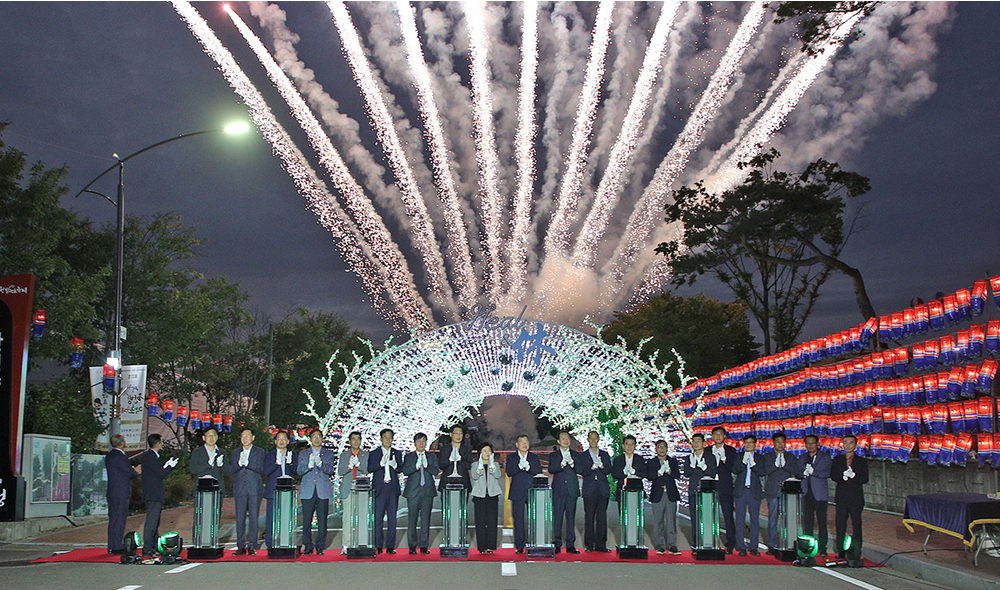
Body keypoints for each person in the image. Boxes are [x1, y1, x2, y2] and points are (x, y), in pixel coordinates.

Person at [297, 428, 336, 555]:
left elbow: (330, 470)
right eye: (314, 436)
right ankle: (308, 545)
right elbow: (299, 471)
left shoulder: (328, 454)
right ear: (310, 439)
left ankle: (320, 545)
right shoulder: (304, 454)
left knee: (322, 519)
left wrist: (321, 465)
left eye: (319, 436)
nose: (316, 439)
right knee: (306, 520)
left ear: (322, 438)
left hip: (322, 490)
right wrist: (308, 466)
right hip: (308, 490)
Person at [762, 431, 802, 554]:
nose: (780, 444)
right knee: (773, 518)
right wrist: (776, 465)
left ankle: (789, 542)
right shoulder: (767, 456)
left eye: (782, 442)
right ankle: (772, 544)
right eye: (777, 442)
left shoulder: (791, 457)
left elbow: (796, 471)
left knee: (788, 518)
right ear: (773, 443)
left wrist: (784, 465)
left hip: (788, 492)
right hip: (773, 490)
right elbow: (764, 471)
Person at [831, 434, 869, 563]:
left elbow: (865, 479)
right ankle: (840, 550)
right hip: (841, 496)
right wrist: (842, 476)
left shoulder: (861, 461)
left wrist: (854, 476)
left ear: (856, 445)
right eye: (845, 443)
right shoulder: (837, 460)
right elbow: (833, 475)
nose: (848, 445)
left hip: (856, 497)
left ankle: (857, 551)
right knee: (840, 523)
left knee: (856, 524)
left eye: (851, 443)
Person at [229, 427, 265, 555]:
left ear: (252, 438)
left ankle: (252, 545)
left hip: (254, 488)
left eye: (247, 436)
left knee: (254, 518)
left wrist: (247, 463)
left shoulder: (259, 451)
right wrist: (239, 464)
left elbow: (260, 468)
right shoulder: (236, 452)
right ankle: (240, 545)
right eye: (243, 436)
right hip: (240, 489)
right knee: (240, 518)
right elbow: (231, 469)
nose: (245, 438)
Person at [402, 432, 439, 554]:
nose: (421, 443)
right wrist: (416, 467)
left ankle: (424, 545)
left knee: (425, 519)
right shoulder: (409, 457)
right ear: (415, 443)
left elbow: (435, 471)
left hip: (427, 491)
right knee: (412, 520)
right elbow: (406, 471)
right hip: (413, 492)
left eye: (423, 441)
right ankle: (412, 546)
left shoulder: (431, 456)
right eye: (419, 441)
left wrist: (427, 466)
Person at [575, 430, 612, 552]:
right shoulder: (583, 456)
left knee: (602, 517)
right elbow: (581, 471)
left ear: (598, 439)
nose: (593, 440)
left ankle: (601, 544)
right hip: (589, 489)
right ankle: (589, 544)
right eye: (591, 438)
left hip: (602, 489)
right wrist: (591, 468)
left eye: (595, 438)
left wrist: (602, 466)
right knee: (589, 517)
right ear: (588, 440)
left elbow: (609, 470)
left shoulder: (604, 454)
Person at [141, 433, 178, 557]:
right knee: (151, 522)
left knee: (154, 522)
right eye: (161, 442)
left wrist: (165, 465)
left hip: (152, 493)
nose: (162, 444)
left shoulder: (150, 456)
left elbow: (156, 472)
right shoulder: (151, 456)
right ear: (157, 443)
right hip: (153, 494)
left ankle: (154, 546)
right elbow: (161, 474)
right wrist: (170, 467)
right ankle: (147, 548)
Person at [505, 434, 542, 554]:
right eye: (522, 442)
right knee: (518, 519)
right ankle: (519, 545)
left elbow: (538, 471)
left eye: (526, 442)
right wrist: (519, 467)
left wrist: (529, 467)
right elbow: (509, 472)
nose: (524, 444)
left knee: (534, 518)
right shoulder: (511, 458)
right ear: (517, 445)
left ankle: (533, 542)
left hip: (532, 490)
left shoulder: (534, 457)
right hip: (517, 491)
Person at [368, 428, 403, 554]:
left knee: (392, 519)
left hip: (392, 488)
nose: (388, 440)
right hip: (380, 488)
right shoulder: (374, 453)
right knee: (378, 518)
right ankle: (378, 545)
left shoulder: (397, 453)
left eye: (390, 437)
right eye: (385, 437)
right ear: (381, 438)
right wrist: (380, 464)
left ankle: (390, 546)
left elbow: (401, 469)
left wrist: (396, 466)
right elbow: (370, 468)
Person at [682, 433, 717, 549]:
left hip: (707, 492)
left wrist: (704, 467)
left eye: (698, 441)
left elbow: (713, 472)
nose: (696, 443)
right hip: (693, 491)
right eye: (694, 441)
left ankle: (708, 543)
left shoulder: (710, 457)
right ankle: (696, 543)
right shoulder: (689, 458)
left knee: (708, 518)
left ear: (703, 443)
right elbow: (686, 473)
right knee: (695, 518)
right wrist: (692, 466)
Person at [336, 430, 369, 554]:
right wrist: (349, 467)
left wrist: (359, 466)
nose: (356, 441)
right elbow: (340, 471)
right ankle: (346, 544)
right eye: (353, 439)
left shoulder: (366, 455)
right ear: (349, 441)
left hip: (362, 488)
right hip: (348, 488)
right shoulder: (344, 455)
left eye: (358, 439)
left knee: (362, 516)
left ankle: (362, 542)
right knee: (347, 517)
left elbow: (368, 470)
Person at [105, 433, 139, 555]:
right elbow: (129, 472)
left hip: (112, 491)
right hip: (121, 492)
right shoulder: (121, 457)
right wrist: (136, 471)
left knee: (113, 519)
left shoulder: (109, 456)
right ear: (122, 443)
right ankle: (117, 546)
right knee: (119, 519)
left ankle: (112, 544)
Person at [263, 430, 297, 548]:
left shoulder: (292, 454)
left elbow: (296, 472)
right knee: (271, 518)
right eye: (279, 439)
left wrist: (290, 464)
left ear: (288, 441)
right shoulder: (270, 455)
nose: (281, 441)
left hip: (288, 490)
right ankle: (270, 544)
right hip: (273, 489)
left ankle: (285, 542)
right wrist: (276, 463)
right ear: (275, 441)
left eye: (284, 439)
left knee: (286, 518)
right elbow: (266, 471)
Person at [547, 431, 580, 553]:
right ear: (559, 441)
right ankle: (557, 543)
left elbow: (581, 469)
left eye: (567, 439)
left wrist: (572, 463)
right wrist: (560, 465)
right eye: (563, 439)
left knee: (571, 518)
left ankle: (570, 544)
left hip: (571, 490)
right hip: (558, 490)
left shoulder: (575, 455)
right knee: (558, 517)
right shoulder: (554, 455)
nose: (566, 441)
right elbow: (551, 469)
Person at [646, 439, 681, 555]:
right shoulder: (651, 462)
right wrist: (658, 473)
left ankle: (672, 545)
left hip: (670, 494)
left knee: (671, 521)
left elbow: (677, 475)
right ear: (656, 449)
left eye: (664, 447)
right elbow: (649, 476)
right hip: (657, 494)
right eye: (659, 447)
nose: (662, 449)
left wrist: (669, 471)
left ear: (667, 448)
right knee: (658, 521)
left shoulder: (672, 461)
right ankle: (660, 545)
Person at [801, 433, 832, 558]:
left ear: (818, 444)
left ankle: (823, 548)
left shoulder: (824, 457)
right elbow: (797, 472)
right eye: (808, 443)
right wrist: (802, 474)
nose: (810, 445)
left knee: (822, 522)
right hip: (806, 493)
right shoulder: (802, 457)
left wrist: (814, 472)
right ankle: (808, 547)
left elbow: (827, 473)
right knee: (807, 522)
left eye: (813, 443)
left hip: (820, 494)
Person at [732, 434, 764, 556]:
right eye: (746, 443)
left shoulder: (760, 458)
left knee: (754, 520)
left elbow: (762, 472)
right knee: (740, 520)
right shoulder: (739, 456)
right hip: (741, 490)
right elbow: (735, 470)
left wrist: (754, 464)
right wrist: (743, 462)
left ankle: (753, 547)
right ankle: (741, 547)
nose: (748, 445)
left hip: (754, 491)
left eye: (751, 443)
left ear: (755, 444)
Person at [470, 441, 503, 554]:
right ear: (480, 453)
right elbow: (474, 476)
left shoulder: (495, 464)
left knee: (492, 521)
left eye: (489, 450)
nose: (487, 453)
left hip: (492, 495)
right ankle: (482, 547)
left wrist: (492, 466)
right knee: (480, 522)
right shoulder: (475, 465)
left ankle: (490, 546)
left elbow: (498, 475)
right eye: (484, 451)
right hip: (479, 496)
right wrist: (479, 467)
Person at [710, 426, 738, 554]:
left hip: (725, 486)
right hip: (710, 486)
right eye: (715, 434)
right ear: (712, 436)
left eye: (720, 434)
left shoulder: (731, 451)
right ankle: (709, 542)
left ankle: (730, 543)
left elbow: (733, 468)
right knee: (709, 515)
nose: (718, 436)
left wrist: (724, 460)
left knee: (728, 515)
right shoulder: (707, 450)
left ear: (724, 436)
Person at [438, 424, 473, 493]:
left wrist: (460, 460)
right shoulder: (444, 449)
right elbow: (441, 465)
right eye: (456, 433)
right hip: (447, 481)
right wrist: (450, 460)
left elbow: (469, 466)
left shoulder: (467, 449)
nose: (458, 436)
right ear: (451, 434)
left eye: (460, 433)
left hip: (463, 481)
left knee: (463, 499)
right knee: (446, 499)